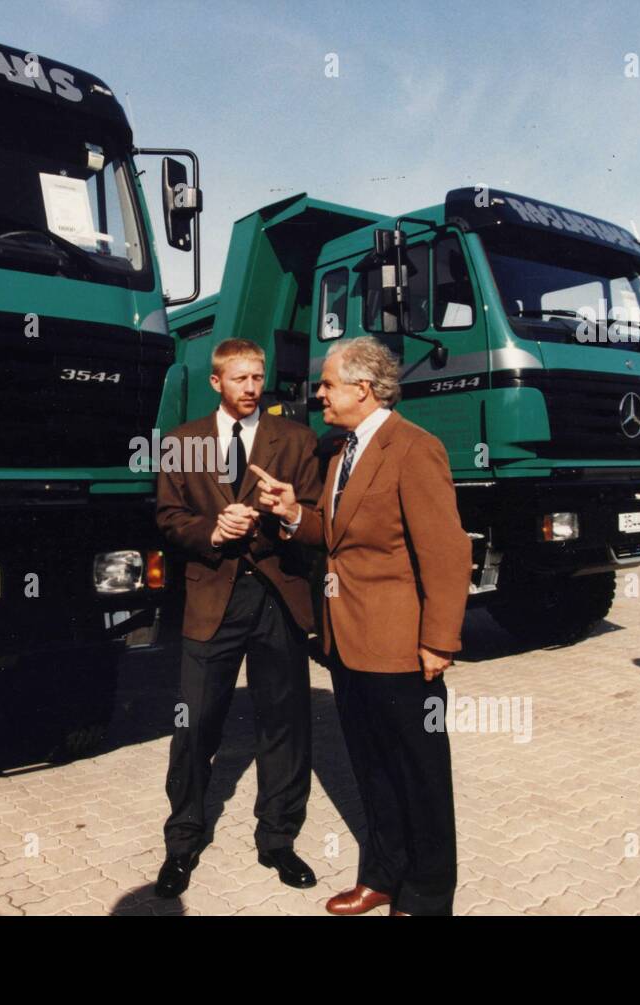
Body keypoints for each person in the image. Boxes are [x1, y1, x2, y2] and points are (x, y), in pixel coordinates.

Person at [252, 336, 472, 916]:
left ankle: (426, 898)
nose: (319, 393)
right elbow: (334, 531)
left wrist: (437, 642)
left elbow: (447, 554)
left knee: (420, 779)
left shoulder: (414, 448)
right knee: (371, 772)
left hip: (402, 648)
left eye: (328, 384)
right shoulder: (338, 450)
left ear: (363, 389)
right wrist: (291, 511)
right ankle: (381, 877)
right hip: (346, 644)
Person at [153, 338, 323, 898]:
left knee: (285, 723)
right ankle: (182, 844)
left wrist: (288, 514)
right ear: (216, 383)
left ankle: (278, 840)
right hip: (212, 597)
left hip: (278, 596)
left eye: (258, 377)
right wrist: (211, 531)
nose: (252, 388)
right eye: (240, 379)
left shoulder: (296, 440)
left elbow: (319, 514)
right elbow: (169, 517)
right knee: (195, 723)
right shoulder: (183, 442)